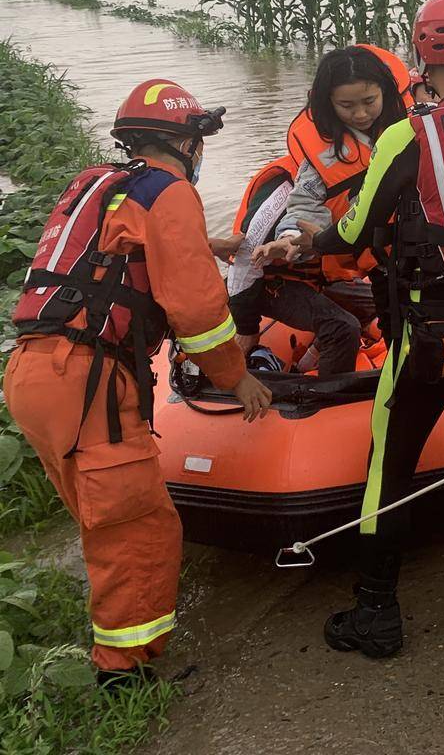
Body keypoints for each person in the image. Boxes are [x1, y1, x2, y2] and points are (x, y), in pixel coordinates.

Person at [287, 0, 444, 657]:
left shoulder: (408, 135)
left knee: (389, 468)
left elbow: (358, 228)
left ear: (421, 54)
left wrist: (312, 241)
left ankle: (377, 610)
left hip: (429, 336)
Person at [4, 79, 271, 688]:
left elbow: (105, 260)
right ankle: (124, 673)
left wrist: (206, 244)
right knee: (139, 528)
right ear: (185, 142)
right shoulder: (172, 191)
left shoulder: (96, 184)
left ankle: (116, 637)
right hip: (88, 383)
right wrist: (237, 380)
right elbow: (199, 314)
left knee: (103, 520)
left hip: (31, 374)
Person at [253, 44, 412, 340]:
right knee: (396, 330)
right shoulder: (322, 159)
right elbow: (303, 204)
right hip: (382, 264)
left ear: (385, 93)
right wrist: (289, 239)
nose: (361, 113)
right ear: (328, 103)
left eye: (369, 101)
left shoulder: (412, 128)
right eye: (347, 106)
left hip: (423, 253)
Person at [218, 151, 374, 376]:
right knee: (342, 327)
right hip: (267, 282)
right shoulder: (283, 185)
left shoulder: (367, 176)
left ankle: (307, 362)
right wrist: (246, 327)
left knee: (384, 303)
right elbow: (245, 259)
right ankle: (328, 400)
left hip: (320, 277)